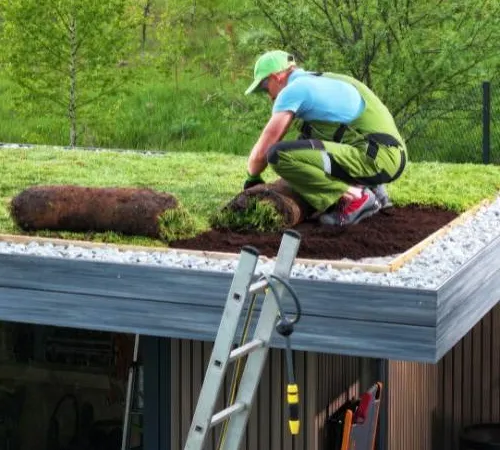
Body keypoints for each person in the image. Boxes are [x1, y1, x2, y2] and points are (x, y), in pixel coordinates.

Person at [243, 50, 407, 226]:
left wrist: (252, 178)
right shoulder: (329, 79)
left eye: (264, 86)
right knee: (304, 138)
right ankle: (377, 191)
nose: (268, 95)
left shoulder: (293, 90)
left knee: (278, 155)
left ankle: (356, 197)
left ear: (277, 77)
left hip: (375, 158)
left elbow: (262, 153)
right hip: (389, 155)